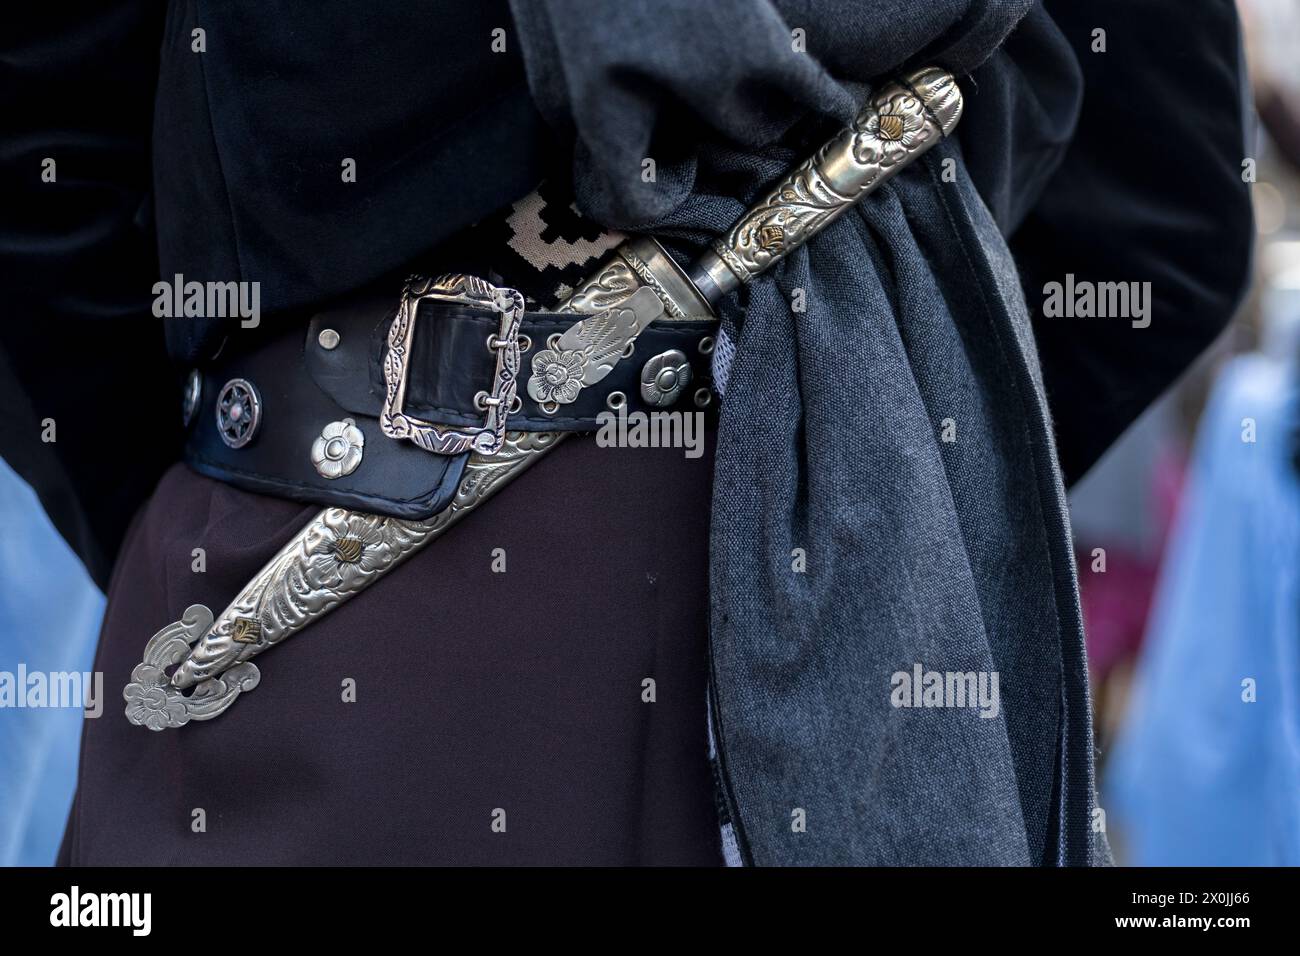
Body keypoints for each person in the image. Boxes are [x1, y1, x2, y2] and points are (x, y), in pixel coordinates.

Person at [0, 0, 1252, 866]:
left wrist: (212, 519)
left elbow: (40, 150)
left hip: (321, 613)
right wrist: (896, 504)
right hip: (878, 663)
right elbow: (1160, 217)